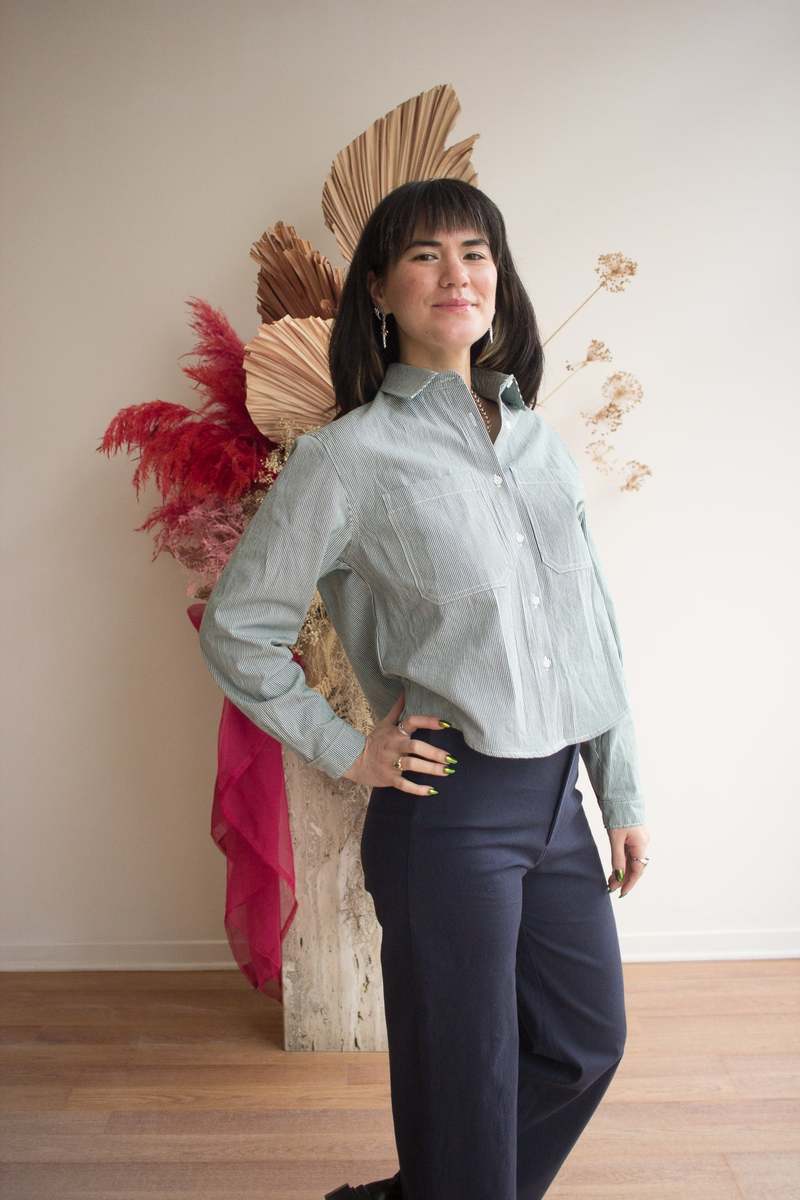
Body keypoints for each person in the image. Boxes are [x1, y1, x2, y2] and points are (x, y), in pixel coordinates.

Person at [199, 177, 651, 1200]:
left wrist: (617, 790)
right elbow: (240, 626)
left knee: (583, 1045)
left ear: (499, 279)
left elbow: (590, 631)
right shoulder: (348, 457)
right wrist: (343, 746)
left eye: (474, 252)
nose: (456, 274)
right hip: (448, 804)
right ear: (378, 291)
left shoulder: (538, 443)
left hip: (558, 804)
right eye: (423, 255)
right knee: (465, 1087)